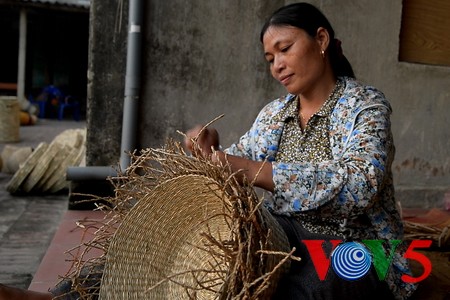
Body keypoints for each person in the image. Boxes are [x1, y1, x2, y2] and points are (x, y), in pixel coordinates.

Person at [185, 2, 416, 300]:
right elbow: (233, 159)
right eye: (270, 59)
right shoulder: (275, 114)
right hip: (289, 235)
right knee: (230, 264)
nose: (277, 65)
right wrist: (206, 143)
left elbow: (361, 185)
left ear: (321, 40)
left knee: (311, 287)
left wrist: (249, 169)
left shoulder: (366, 106)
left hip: (362, 244)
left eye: (285, 49)